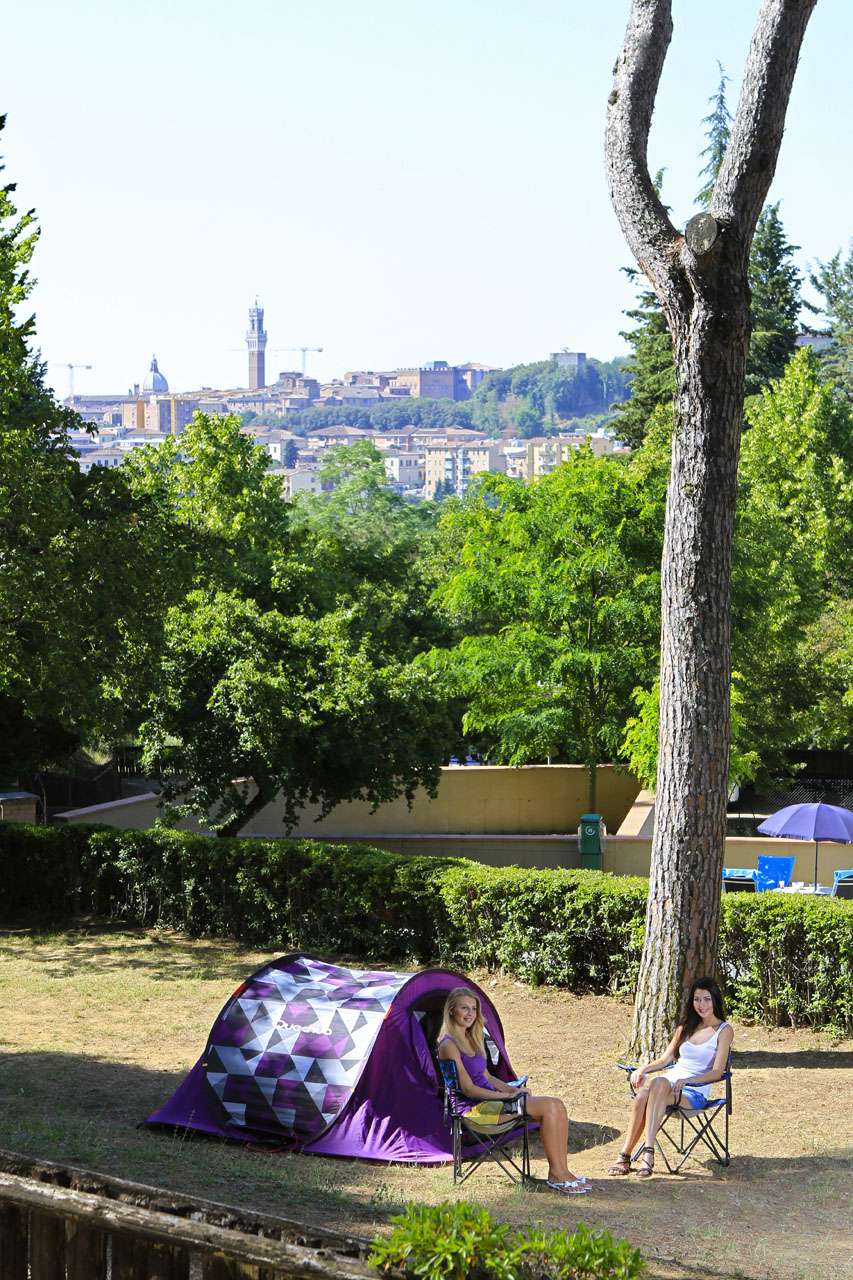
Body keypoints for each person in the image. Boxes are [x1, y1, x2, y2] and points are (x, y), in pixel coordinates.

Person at [437, 985, 591, 1195]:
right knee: (549, 1107)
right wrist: (506, 1097)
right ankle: (556, 1174)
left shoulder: (471, 1038)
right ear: (451, 1010)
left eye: (473, 1009)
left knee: (557, 1105)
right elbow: (469, 1089)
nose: (470, 1013)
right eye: (464, 1008)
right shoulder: (448, 1045)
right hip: (475, 1111)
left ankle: (562, 1171)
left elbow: (487, 1077)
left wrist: (513, 1091)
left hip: (492, 1103)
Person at [607, 976, 734, 1179]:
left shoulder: (724, 1030)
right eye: (697, 999)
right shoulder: (685, 1027)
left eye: (706, 999)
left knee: (656, 1085)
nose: (701, 1005)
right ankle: (626, 1155)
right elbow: (665, 1060)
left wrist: (688, 1081)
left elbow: (717, 1072)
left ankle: (646, 1152)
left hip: (693, 1093)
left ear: (715, 1000)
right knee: (642, 1096)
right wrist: (642, 1069)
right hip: (666, 1088)